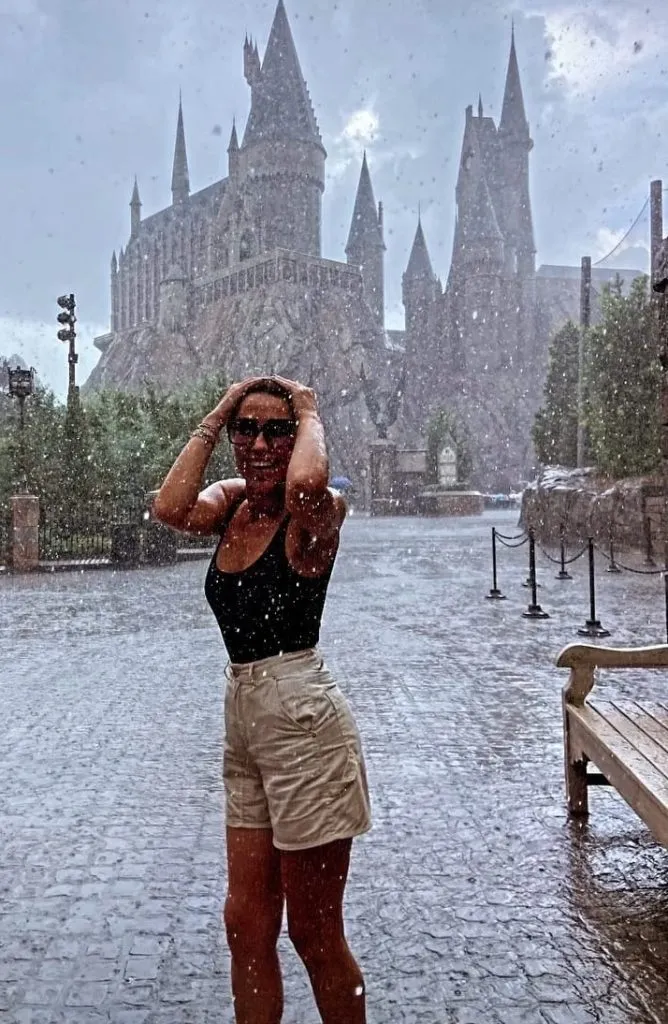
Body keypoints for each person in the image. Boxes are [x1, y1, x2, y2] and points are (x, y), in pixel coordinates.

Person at [153, 375, 371, 1024]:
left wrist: (308, 410)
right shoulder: (230, 504)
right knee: (245, 925)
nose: (260, 443)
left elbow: (305, 483)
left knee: (313, 933)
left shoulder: (316, 512)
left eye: (277, 430)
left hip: (304, 719)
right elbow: (168, 506)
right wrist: (217, 413)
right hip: (243, 720)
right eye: (248, 430)